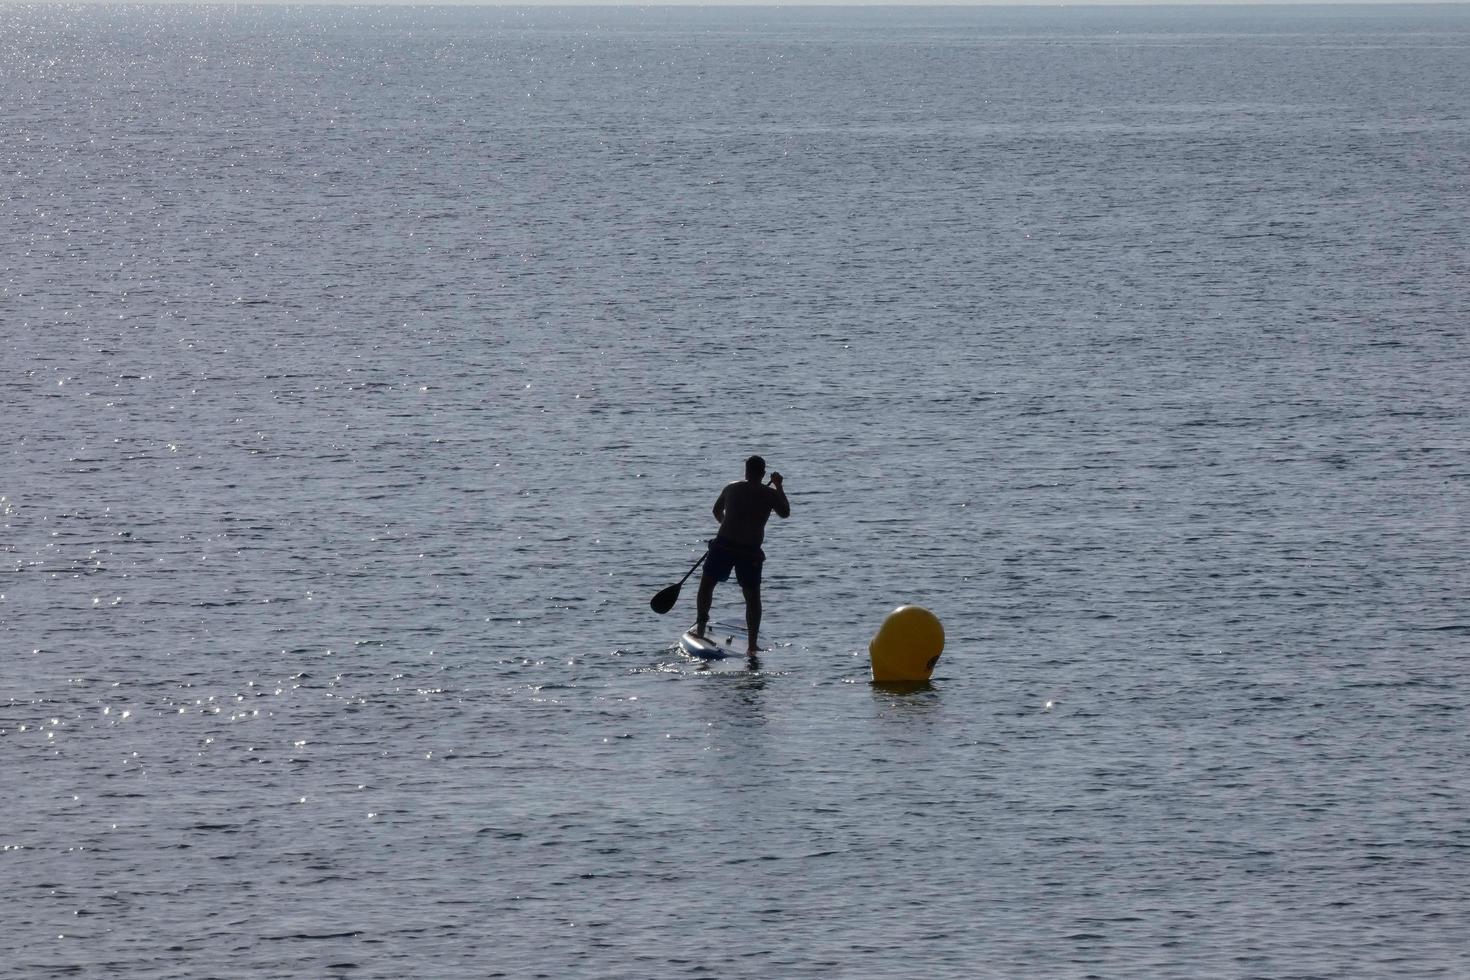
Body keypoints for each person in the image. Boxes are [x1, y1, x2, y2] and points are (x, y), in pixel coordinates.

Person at [694, 455, 791, 654]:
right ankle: (752, 645)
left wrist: (727, 526)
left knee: (707, 585)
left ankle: (701, 629)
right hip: (750, 550)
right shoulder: (770, 494)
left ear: (746, 472)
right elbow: (785, 513)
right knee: (752, 597)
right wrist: (779, 486)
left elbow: (716, 511)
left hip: (725, 545)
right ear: (763, 474)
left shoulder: (732, 488)